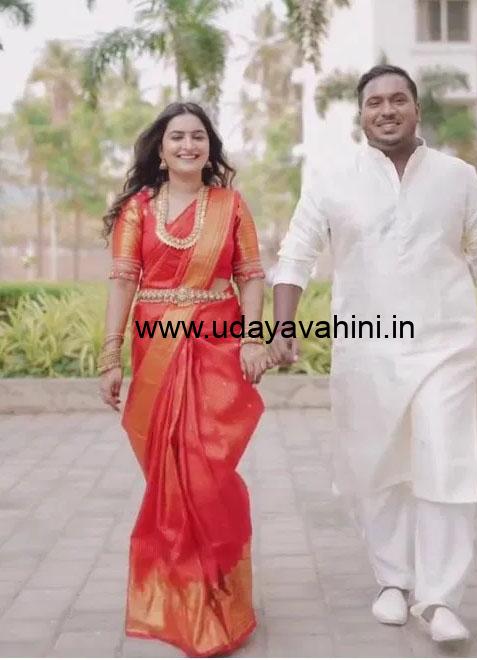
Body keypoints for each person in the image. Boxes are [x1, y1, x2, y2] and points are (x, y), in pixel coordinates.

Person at [270, 65, 477, 643]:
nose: (387, 110)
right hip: (366, 345)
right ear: (361, 115)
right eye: (375, 102)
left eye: (398, 99)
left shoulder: (457, 177)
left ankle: (439, 597)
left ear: (416, 109)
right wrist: (282, 327)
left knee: (445, 460)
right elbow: (296, 254)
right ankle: (392, 580)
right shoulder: (334, 180)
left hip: (445, 342)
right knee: (375, 464)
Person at [98, 102, 270, 657]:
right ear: (161, 148)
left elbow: (250, 275)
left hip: (217, 344)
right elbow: (123, 282)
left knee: (205, 472)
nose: (188, 145)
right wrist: (110, 354)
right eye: (177, 137)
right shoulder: (138, 210)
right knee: (167, 472)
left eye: (198, 136)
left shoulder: (230, 205)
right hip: (156, 348)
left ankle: (217, 593)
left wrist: (253, 338)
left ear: (209, 147)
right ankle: (180, 593)